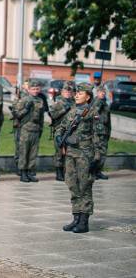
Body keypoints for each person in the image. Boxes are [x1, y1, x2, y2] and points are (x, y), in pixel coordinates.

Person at [55, 83, 102, 233]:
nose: (76, 95)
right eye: (76, 93)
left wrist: (97, 157)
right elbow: (61, 127)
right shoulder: (73, 111)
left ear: (88, 96)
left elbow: (97, 136)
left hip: (85, 154)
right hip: (70, 154)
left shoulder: (92, 112)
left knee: (85, 186)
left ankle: (84, 221)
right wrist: (58, 138)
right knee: (72, 184)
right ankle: (75, 218)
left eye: (80, 93)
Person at [14, 79, 46, 182]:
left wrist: (41, 128)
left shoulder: (40, 100)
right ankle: (23, 173)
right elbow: (17, 114)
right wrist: (26, 109)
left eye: (37, 89)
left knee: (33, 153)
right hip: (25, 129)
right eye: (33, 89)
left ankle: (29, 172)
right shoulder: (24, 100)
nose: (35, 91)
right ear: (28, 89)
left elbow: (41, 117)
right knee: (24, 152)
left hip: (36, 129)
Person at [49, 81, 75, 181]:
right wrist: (64, 110)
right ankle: (59, 173)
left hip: (71, 131)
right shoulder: (57, 102)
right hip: (59, 131)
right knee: (59, 153)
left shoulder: (74, 103)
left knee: (69, 153)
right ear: (62, 92)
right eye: (66, 91)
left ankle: (67, 172)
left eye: (70, 91)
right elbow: (53, 115)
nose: (68, 93)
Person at [11, 79, 29, 175]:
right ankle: (18, 166)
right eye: (26, 84)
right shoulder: (19, 96)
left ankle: (26, 167)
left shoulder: (31, 96)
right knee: (19, 146)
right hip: (19, 124)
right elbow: (14, 108)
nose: (27, 86)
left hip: (28, 125)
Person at [92, 85, 110, 180]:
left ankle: (98, 171)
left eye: (104, 92)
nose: (103, 93)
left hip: (104, 132)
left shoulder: (105, 103)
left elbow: (107, 120)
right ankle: (93, 172)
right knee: (96, 153)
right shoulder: (95, 102)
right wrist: (99, 103)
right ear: (97, 92)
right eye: (101, 92)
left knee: (103, 153)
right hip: (97, 132)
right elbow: (94, 113)